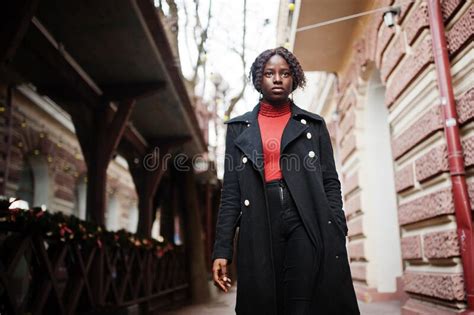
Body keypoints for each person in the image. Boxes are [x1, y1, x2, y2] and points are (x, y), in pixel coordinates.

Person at [212, 47, 359, 315]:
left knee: (302, 300)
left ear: (295, 79)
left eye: (285, 73)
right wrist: (222, 249)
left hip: (305, 217)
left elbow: (330, 181)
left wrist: (337, 224)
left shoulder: (313, 125)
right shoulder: (238, 129)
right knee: (265, 301)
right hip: (258, 219)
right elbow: (231, 192)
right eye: (269, 73)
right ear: (259, 79)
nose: (277, 79)